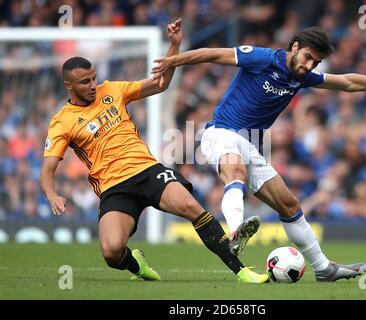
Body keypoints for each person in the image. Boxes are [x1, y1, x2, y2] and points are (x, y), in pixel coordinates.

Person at [152, 26, 366, 281]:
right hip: (220, 132)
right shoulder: (262, 58)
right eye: (307, 57)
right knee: (234, 172)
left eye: (315, 63)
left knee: (290, 205)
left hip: (250, 144)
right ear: (294, 46)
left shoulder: (302, 78)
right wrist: (172, 59)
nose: (309, 66)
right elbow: (212, 54)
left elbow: (347, 82)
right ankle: (235, 231)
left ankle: (323, 269)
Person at [39, 19, 268, 284]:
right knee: (111, 252)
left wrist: (174, 45)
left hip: (147, 170)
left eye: (93, 78)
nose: (92, 85)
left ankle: (241, 271)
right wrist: (52, 194)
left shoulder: (112, 90)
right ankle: (138, 265)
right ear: (69, 86)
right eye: (84, 82)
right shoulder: (61, 121)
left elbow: (160, 84)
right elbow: (47, 170)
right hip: (114, 187)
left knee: (192, 207)